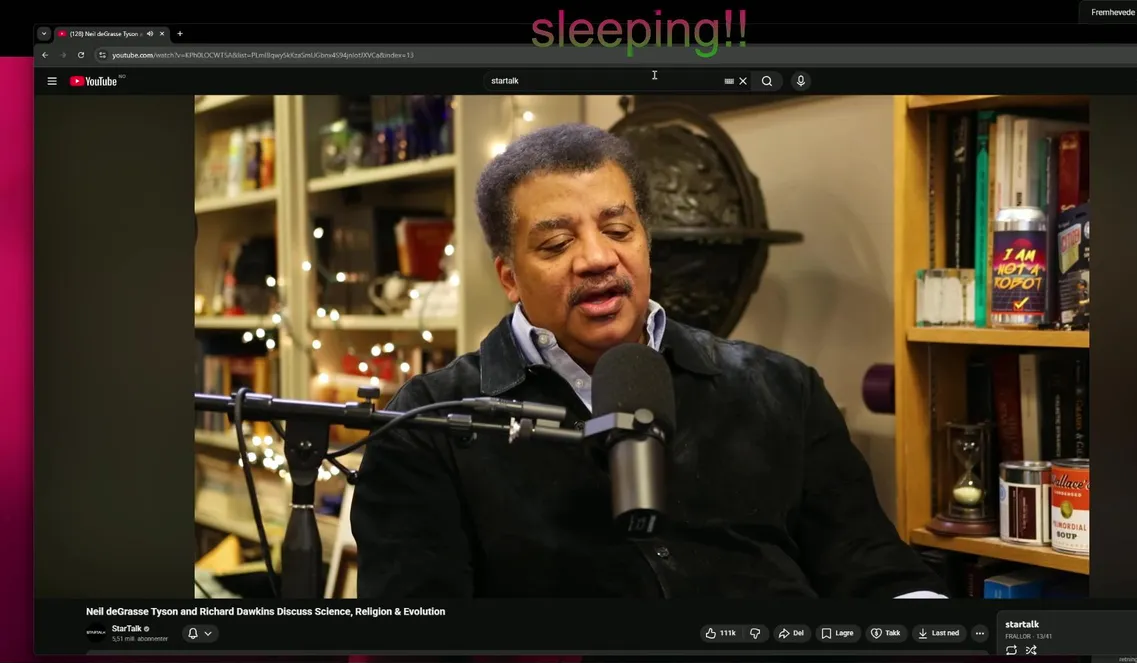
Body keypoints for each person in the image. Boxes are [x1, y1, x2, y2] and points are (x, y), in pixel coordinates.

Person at [351, 123, 946, 600]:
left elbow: (875, 569)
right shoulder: (429, 423)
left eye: (618, 229)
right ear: (509, 276)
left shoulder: (782, 389)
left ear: (646, 240)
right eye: (557, 244)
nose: (596, 258)